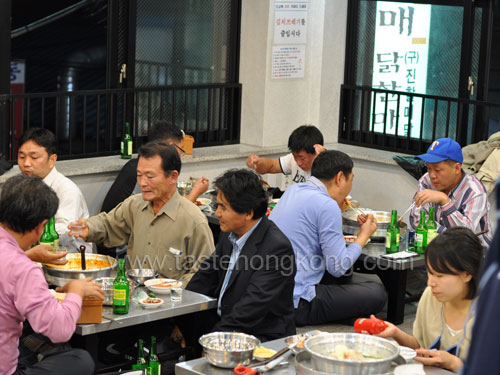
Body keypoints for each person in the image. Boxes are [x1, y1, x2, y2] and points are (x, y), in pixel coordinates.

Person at [178, 169, 295, 351]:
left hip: (258, 335)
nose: (217, 213)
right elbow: (205, 275)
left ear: (248, 213)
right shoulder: (230, 233)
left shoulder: (276, 249)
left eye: (223, 207)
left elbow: (252, 307)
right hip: (224, 322)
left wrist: (214, 343)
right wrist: (181, 317)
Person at [0, 175, 104, 375]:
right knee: (80, 360)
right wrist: (76, 291)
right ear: (42, 226)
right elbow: (59, 331)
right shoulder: (25, 270)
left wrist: (26, 254)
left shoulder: (17, 260)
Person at [269, 150, 386, 326]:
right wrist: (362, 236)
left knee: (349, 279)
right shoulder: (327, 204)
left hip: (273, 291)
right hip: (297, 302)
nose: (350, 187)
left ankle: (344, 315)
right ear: (340, 177)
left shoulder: (293, 190)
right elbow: (337, 267)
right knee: (377, 292)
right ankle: (343, 316)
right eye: (351, 179)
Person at [69, 141, 215, 282]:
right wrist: (89, 227)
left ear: (173, 176)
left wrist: (173, 287)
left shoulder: (194, 220)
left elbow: (204, 274)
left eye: (150, 176)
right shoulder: (135, 205)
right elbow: (108, 225)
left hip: (170, 301)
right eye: (139, 175)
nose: (143, 183)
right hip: (132, 294)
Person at [375, 227, 483, 372]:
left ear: (467, 275)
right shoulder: (431, 296)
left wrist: (453, 363)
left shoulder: (490, 312)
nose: (430, 283)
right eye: (430, 273)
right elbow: (420, 347)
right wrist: (395, 332)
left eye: (439, 276)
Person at [101, 121, 209, 213]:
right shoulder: (150, 173)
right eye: (181, 149)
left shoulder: (138, 163)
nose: (180, 155)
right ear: (171, 146)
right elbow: (171, 217)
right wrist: (195, 192)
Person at [17, 128, 92, 252]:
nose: (26, 163)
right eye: (22, 157)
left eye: (34, 157)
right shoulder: (21, 185)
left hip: (71, 257)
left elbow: (65, 231)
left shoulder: (67, 190)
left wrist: (26, 232)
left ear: (52, 160)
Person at [410, 137, 491, 247]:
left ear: (457, 168)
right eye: (429, 168)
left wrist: (444, 201)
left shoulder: (475, 191)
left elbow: (464, 236)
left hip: (473, 254)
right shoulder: (426, 181)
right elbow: (417, 219)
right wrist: (447, 233)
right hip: (438, 249)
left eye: (437, 170)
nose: (432, 175)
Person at [246, 125, 325, 183]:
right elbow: (271, 166)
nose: (298, 163)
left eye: (302, 158)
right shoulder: (293, 159)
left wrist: (323, 161)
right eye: (295, 156)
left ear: (316, 152)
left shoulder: (330, 168)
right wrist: (258, 162)